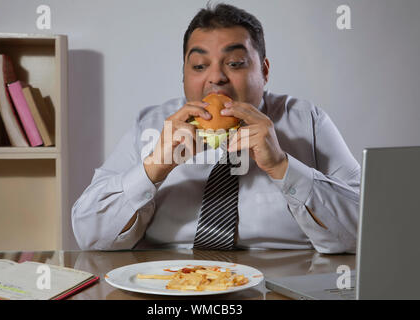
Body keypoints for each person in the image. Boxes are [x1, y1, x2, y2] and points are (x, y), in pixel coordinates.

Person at [72, 3, 360, 253]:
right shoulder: (150, 125)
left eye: (235, 63)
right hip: (172, 279)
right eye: (199, 66)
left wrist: (283, 167)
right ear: (183, 74)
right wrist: (153, 169)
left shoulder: (307, 120)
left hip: (285, 276)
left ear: (265, 71)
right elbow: (91, 237)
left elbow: (363, 232)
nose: (216, 78)